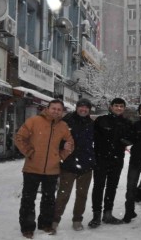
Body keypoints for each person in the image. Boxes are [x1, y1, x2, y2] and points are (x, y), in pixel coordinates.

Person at [14, 99, 74, 239]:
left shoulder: (63, 126)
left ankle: (45, 224)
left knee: (49, 199)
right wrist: (29, 153)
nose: (56, 111)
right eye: (54, 108)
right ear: (47, 108)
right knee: (28, 199)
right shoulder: (34, 121)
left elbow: (70, 144)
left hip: (52, 169)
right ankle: (27, 227)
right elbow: (19, 138)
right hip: (32, 168)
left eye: (59, 109)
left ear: (62, 111)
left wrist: (60, 156)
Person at [51, 98, 95, 233]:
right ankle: (54, 221)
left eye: (86, 107)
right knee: (63, 195)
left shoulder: (92, 124)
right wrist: (61, 146)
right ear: (76, 108)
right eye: (81, 107)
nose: (83, 109)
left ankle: (77, 220)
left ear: (89, 109)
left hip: (86, 166)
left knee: (82, 195)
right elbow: (55, 139)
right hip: (68, 165)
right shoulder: (66, 121)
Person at [88, 98, 133, 228]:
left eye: (121, 106)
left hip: (117, 159)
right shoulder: (101, 120)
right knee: (98, 187)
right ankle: (96, 215)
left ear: (124, 108)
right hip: (101, 159)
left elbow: (132, 138)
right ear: (111, 107)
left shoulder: (127, 123)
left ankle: (108, 214)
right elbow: (93, 137)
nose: (119, 108)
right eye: (116, 106)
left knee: (112, 187)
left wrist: (127, 141)